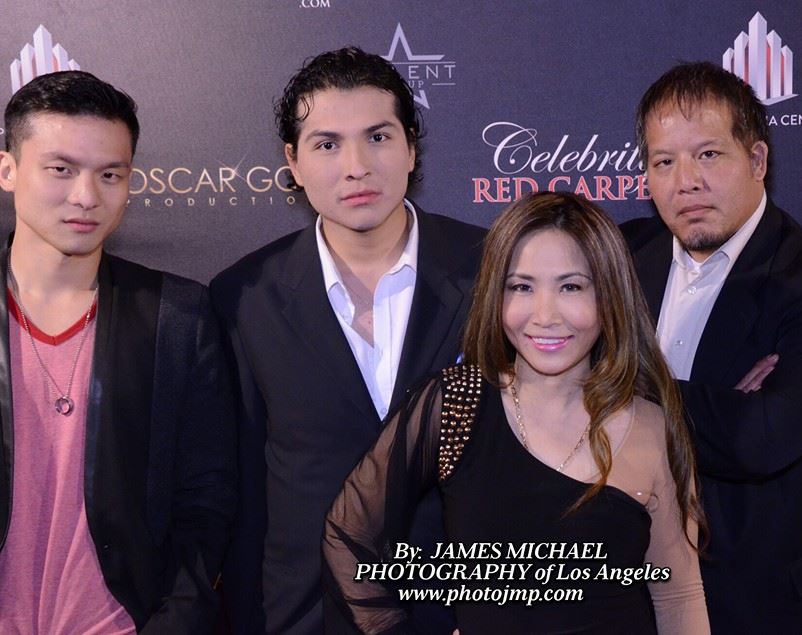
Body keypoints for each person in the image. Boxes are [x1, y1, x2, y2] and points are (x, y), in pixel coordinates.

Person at [324, 191, 710, 635]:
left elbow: (679, 595)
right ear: (495, 293)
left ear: (610, 297)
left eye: (571, 286)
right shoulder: (456, 404)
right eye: (521, 286)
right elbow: (347, 537)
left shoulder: (653, 425)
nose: (545, 315)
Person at [211, 47, 485, 634]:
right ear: (294, 160)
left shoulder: (495, 269)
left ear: (412, 146)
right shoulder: (244, 297)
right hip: (306, 615)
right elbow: (245, 495)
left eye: (378, 137)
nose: (356, 166)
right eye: (327, 144)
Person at [621, 62, 802, 634]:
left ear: (757, 161)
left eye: (708, 155)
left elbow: (761, 439)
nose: (685, 180)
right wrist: (718, 402)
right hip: (625, 600)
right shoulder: (615, 258)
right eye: (664, 161)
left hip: (764, 606)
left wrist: (616, 390)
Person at [0, 70, 236, 632]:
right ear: (8, 170)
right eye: (60, 169)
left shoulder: (178, 315)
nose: (86, 196)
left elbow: (206, 500)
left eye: (110, 174)